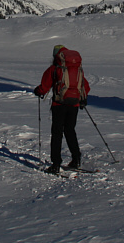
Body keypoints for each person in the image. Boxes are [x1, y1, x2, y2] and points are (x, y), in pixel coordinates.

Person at [33, 44, 90, 174]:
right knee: (70, 130)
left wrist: (38, 91)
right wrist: (81, 98)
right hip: (74, 105)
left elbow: (44, 87)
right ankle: (76, 159)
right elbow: (85, 86)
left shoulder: (54, 68)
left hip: (59, 105)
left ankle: (56, 164)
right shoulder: (76, 68)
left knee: (57, 133)